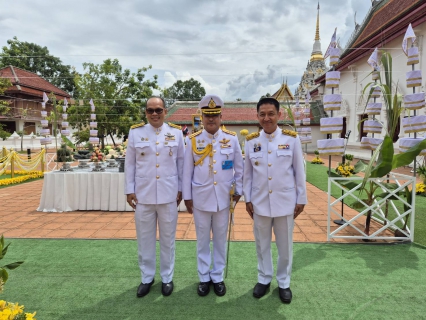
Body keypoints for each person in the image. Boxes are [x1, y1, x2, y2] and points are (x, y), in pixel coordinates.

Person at [243, 97, 307, 304]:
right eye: (262, 114)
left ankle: (284, 282)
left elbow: (299, 171)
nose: (267, 118)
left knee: (284, 245)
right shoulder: (252, 141)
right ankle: (263, 278)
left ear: (279, 115)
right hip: (260, 202)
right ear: (257, 116)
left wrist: (301, 198)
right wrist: (248, 199)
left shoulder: (291, 139)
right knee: (262, 244)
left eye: (271, 113)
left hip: (286, 201)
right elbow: (248, 175)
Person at [183, 94, 243, 297]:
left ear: (220, 116)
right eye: (207, 115)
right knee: (202, 240)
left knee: (219, 239)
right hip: (200, 198)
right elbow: (186, 171)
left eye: (215, 115)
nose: (211, 119)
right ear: (201, 115)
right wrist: (187, 197)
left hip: (224, 198)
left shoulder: (231, 139)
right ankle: (203, 277)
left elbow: (239, 169)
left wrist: (238, 191)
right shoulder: (193, 140)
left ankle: (217, 277)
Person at [125, 96, 184, 297]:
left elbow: (181, 164)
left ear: (165, 111)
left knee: (168, 239)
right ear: (146, 113)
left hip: (168, 195)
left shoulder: (176, 133)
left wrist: (181, 189)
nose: (154, 114)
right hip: (143, 195)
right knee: (145, 239)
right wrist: (129, 189)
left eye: (158, 110)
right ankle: (147, 278)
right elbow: (130, 164)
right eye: (150, 110)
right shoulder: (136, 133)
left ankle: (167, 278)